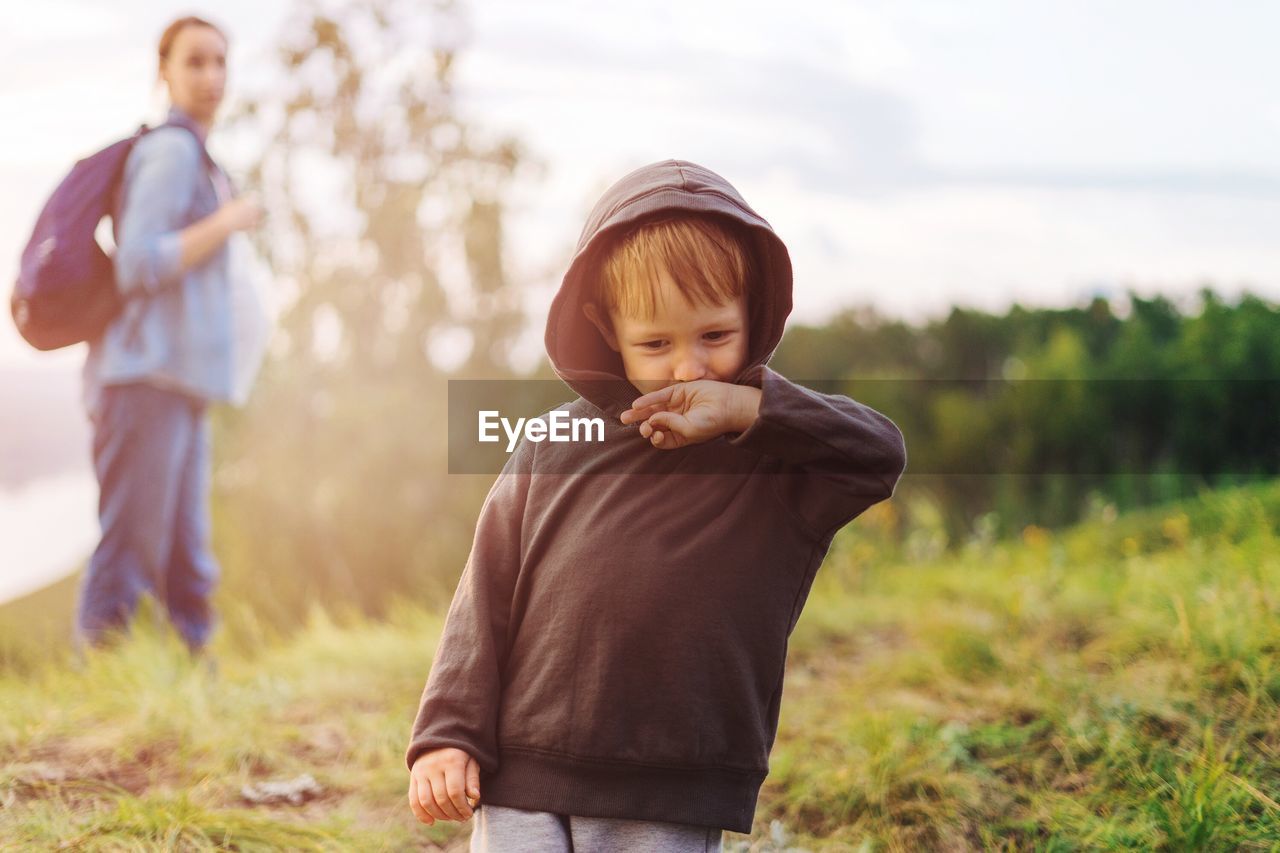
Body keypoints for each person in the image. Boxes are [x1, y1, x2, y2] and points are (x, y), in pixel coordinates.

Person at [406, 160, 908, 850]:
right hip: (522, 766)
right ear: (606, 328)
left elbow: (880, 453)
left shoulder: (778, 462)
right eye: (655, 343)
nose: (688, 369)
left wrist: (749, 408)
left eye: (714, 336)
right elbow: (482, 594)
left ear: (753, 312)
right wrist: (447, 734)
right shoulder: (555, 442)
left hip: (671, 782)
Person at [77, 15, 262, 654]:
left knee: (189, 564)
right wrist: (229, 221)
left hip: (180, 384)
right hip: (141, 381)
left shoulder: (200, 158)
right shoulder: (171, 152)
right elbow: (139, 263)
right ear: (165, 71)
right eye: (195, 62)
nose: (211, 76)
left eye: (219, 62)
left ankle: (196, 695)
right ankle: (96, 698)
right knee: (127, 556)